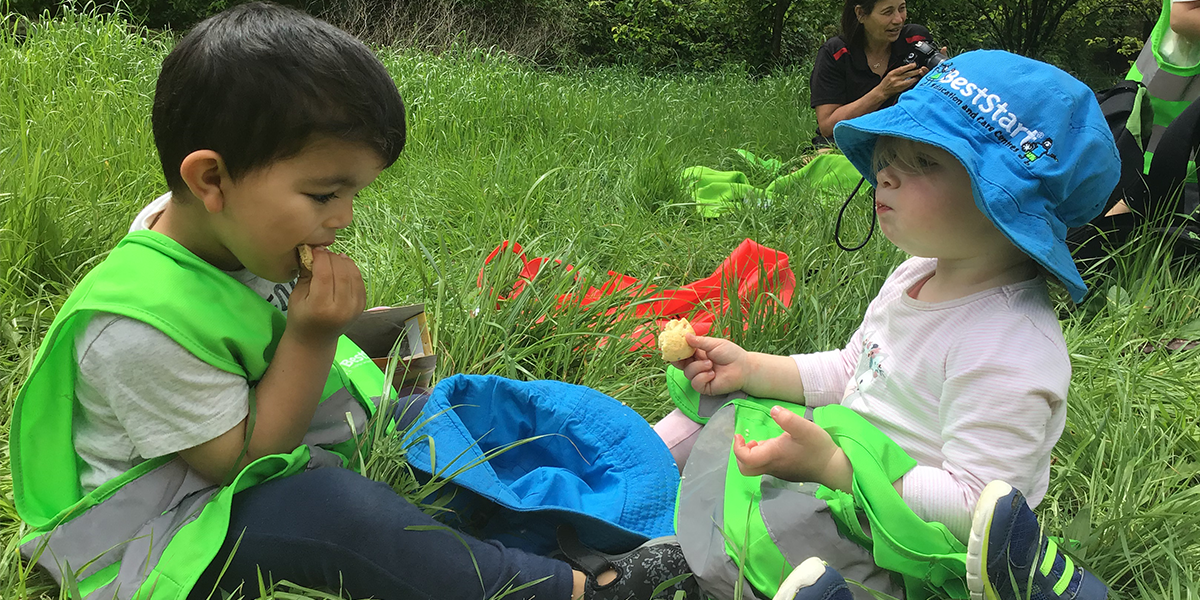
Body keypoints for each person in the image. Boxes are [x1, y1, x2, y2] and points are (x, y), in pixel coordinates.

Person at [9, 4, 699, 600]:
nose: (341, 219)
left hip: (291, 439)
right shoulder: (135, 328)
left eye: (351, 196)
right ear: (212, 179)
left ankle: (621, 475)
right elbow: (245, 465)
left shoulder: (227, 233)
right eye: (322, 195)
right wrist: (311, 335)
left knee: (441, 412)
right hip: (176, 524)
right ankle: (563, 587)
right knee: (330, 510)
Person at [665, 50, 1115, 599]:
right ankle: (642, 479)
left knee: (770, 548)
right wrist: (752, 367)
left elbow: (979, 510)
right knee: (723, 407)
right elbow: (855, 369)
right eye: (888, 154)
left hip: (902, 537)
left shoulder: (1010, 348)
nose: (886, 174)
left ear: (1007, 207)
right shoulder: (913, 275)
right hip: (842, 476)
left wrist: (838, 467)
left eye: (923, 162)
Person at [808, 0, 944, 147]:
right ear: (860, 14)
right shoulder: (836, 53)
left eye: (902, 8)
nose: (898, 19)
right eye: (888, 12)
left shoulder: (915, 40)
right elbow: (827, 127)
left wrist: (941, 78)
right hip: (851, 142)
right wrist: (882, 92)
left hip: (905, 139)